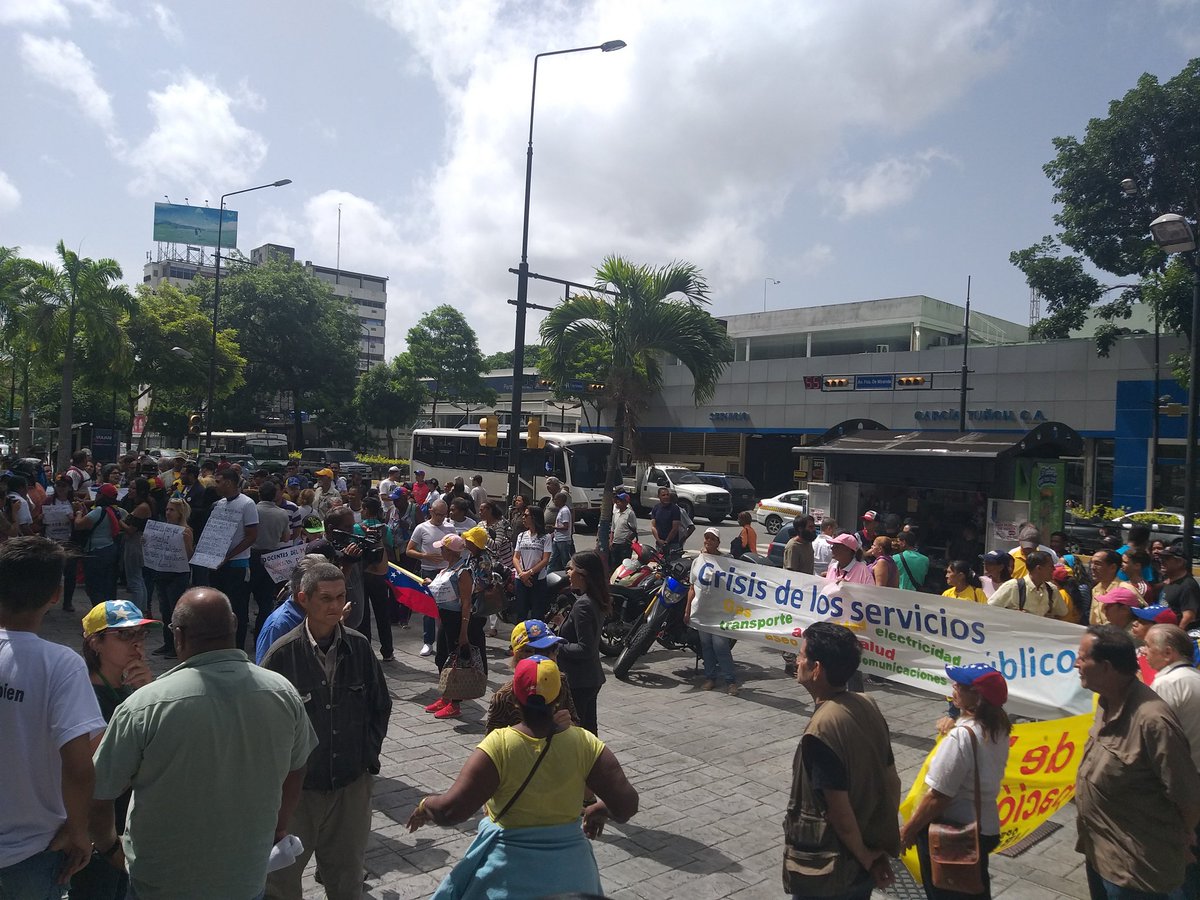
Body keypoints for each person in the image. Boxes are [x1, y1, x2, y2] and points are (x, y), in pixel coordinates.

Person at [91, 588, 318, 900]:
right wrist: (277, 828)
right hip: (244, 879)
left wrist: (107, 846)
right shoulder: (283, 693)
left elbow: (99, 790)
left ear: (179, 636)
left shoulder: (145, 705)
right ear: (235, 625)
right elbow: (298, 768)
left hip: (161, 883)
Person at [407, 656, 638, 899]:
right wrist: (598, 810)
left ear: (515, 697)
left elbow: (451, 811)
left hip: (505, 876)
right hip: (573, 877)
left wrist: (426, 805)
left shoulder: (499, 745)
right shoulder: (585, 743)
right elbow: (626, 806)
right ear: (559, 698)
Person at [261, 561, 391, 900]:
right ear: (303, 599)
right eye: (326, 599)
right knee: (281, 882)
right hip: (297, 793)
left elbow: (380, 706)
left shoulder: (360, 647)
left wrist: (368, 758)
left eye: (340, 597)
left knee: (347, 877)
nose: (336, 606)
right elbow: (263, 725)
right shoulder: (282, 655)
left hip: (350, 785)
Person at [0, 537, 107, 897]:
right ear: (55, 593)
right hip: (31, 851)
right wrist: (79, 830)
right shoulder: (60, 665)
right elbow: (79, 764)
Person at [1074, 625, 1200, 899]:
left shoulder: (1153, 720)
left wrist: (1179, 840)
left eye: (1083, 657)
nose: (1076, 663)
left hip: (1134, 869)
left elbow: (1187, 796)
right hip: (1099, 852)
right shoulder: (1107, 703)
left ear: (1106, 667)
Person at [786, 621, 900, 899]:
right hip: (866, 850)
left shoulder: (821, 730)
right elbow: (892, 782)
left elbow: (839, 811)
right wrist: (880, 848)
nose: (797, 661)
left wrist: (866, 858)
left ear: (817, 669)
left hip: (832, 868)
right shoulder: (867, 704)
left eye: (801, 656)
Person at [899, 663, 1010, 900]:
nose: (954, 688)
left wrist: (909, 830)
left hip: (954, 833)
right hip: (985, 826)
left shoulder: (962, 736)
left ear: (977, 697)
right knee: (973, 887)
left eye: (960, 685)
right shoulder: (998, 727)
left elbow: (938, 795)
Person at [72, 601, 159, 899]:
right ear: (95, 643)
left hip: (130, 825)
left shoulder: (135, 690)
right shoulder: (83, 696)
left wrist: (148, 693)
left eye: (140, 635)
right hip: (97, 833)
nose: (136, 644)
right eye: (124, 636)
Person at [426, 529, 492, 721]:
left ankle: (454, 703)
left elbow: (466, 602)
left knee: (454, 661)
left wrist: (464, 631)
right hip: (445, 619)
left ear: (452, 552)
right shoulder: (446, 569)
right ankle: (445, 696)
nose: (441, 552)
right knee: (441, 657)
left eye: (443, 549)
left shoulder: (463, 572)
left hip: (456, 620)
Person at [485, 620, 580, 732]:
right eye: (542, 652)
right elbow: (493, 744)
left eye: (554, 648)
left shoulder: (560, 681)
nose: (552, 656)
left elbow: (575, 721)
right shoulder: (503, 697)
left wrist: (570, 725)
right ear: (519, 655)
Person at [204, 468, 260, 652]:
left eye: (218, 482)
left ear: (229, 482)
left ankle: (237, 647)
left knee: (237, 608)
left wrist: (229, 556)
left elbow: (251, 536)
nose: (215, 486)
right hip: (216, 564)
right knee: (219, 607)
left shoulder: (247, 504)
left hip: (237, 564)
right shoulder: (218, 504)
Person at [559, 550, 610, 731]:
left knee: (576, 734)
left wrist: (556, 644)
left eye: (570, 569)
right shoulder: (595, 599)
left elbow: (584, 648)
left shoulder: (583, 604)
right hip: (590, 678)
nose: (568, 573)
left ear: (583, 574)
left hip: (578, 680)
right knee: (589, 732)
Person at [684, 527, 739, 694]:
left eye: (712, 539)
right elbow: (692, 588)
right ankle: (710, 677)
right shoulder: (698, 561)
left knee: (721, 646)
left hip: (721, 613)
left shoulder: (726, 562)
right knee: (706, 645)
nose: (708, 541)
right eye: (706, 538)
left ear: (718, 542)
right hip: (703, 611)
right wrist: (687, 611)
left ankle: (730, 681)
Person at [407, 499, 457, 657]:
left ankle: (448, 639)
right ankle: (428, 642)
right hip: (428, 571)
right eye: (438, 514)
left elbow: (455, 548)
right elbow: (409, 550)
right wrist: (425, 555)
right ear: (431, 512)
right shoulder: (421, 528)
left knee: (447, 606)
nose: (441, 518)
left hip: (446, 571)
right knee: (428, 608)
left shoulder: (450, 527)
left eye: (444, 515)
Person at [146, 496, 194, 659]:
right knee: (165, 610)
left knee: (175, 611)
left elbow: (189, 556)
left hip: (177, 575)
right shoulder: (162, 529)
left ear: (180, 513)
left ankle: (177, 646)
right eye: (167, 509)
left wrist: (187, 543)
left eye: (172, 510)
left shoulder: (186, 530)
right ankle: (168, 643)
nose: (168, 513)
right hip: (162, 573)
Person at [354, 496, 397, 661]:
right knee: (382, 615)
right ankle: (388, 651)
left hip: (362, 574)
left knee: (364, 616)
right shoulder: (385, 528)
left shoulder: (356, 527)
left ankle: (367, 652)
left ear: (366, 509)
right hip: (380, 576)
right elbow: (391, 550)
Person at [250, 480, 292, 643]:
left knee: (244, 595)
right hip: (272, 557)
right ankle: (260, 636)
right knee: (266, 600)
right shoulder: (282, 513)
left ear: (259, 494)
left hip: (252, 555)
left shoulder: (252, 509)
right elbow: (285, 537)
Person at [74, 483, 127, 606]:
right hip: (111, 549)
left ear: (102, 496)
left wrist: (79, 513)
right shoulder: (117, 511)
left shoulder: (99, 511)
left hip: (95, 552)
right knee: (109, 585)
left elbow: (79, 525)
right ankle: (109, 610)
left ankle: (99, 611)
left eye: (98, 493)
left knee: (94, 586)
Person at [43, 473, 82, 612]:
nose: (60, 488)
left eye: (63, 486)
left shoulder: (75, 503)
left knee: (70, 574)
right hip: (51, 540)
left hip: (69, 541)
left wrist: (75, 515)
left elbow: (82, 521)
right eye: (58, 485)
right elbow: (39, 520)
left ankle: (68, 602)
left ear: (69, 488)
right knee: (51, 574)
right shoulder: (48, 501)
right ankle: (47, 602)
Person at [986, 551, 1068, 618]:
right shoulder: (1013, 586)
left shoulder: (1052, 590)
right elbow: (989, 609)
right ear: (1039, 568)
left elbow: (1063, 613)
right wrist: (1012, 614)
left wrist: (1052, 618)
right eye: (1050, 566)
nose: (1054, 569)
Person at [512, 504, 552, 622]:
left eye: (526, 515)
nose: (523, 518)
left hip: (537, 579)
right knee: (521, 612)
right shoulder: (522, 536)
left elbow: (545, 560)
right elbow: (515, 558)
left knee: (537, 613)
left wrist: (530, 573)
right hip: (521, 579)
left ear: (534, 518)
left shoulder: (545, 537)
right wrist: (522, 574)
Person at [1159, 544, 1200, 629]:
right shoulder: (1169, 580)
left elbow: (1189, 616)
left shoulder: (1188, 585)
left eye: (1166, 558)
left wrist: (1177, 635)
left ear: (1180, 562)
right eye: (1161, 558)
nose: (1162, 561)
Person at [609, 491, 639, 571]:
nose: (618, 503)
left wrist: (627, 541)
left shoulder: (630, 513)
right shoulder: (616, 514)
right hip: (615, 543)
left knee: (625, 565)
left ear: (626, 502)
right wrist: (611, 541)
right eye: (617, 501)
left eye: (620, 501)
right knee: (614, 564)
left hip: (624, 545)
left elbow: (634, 530)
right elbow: (613, 529)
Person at [649, 486, 682, 555]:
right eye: (663, 495)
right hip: (659, 544)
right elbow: (653, 526)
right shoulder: (656, 508)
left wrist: (666, 542)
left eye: (667, 495)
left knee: (673, 564)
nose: (666, 497)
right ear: (659, 496)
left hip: (672, 544)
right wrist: (658, 540)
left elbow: (675, 528)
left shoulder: (675, 509)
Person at [549, 491, 575, 572]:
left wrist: (553, 527)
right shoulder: (561, 510)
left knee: (565, 561)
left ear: (561, 500)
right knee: (552, 560)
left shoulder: (564, 511)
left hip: (563, 540)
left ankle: (568, 577)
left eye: (556, 499)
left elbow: (565, 526)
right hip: (557, 539)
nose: (554, 501)